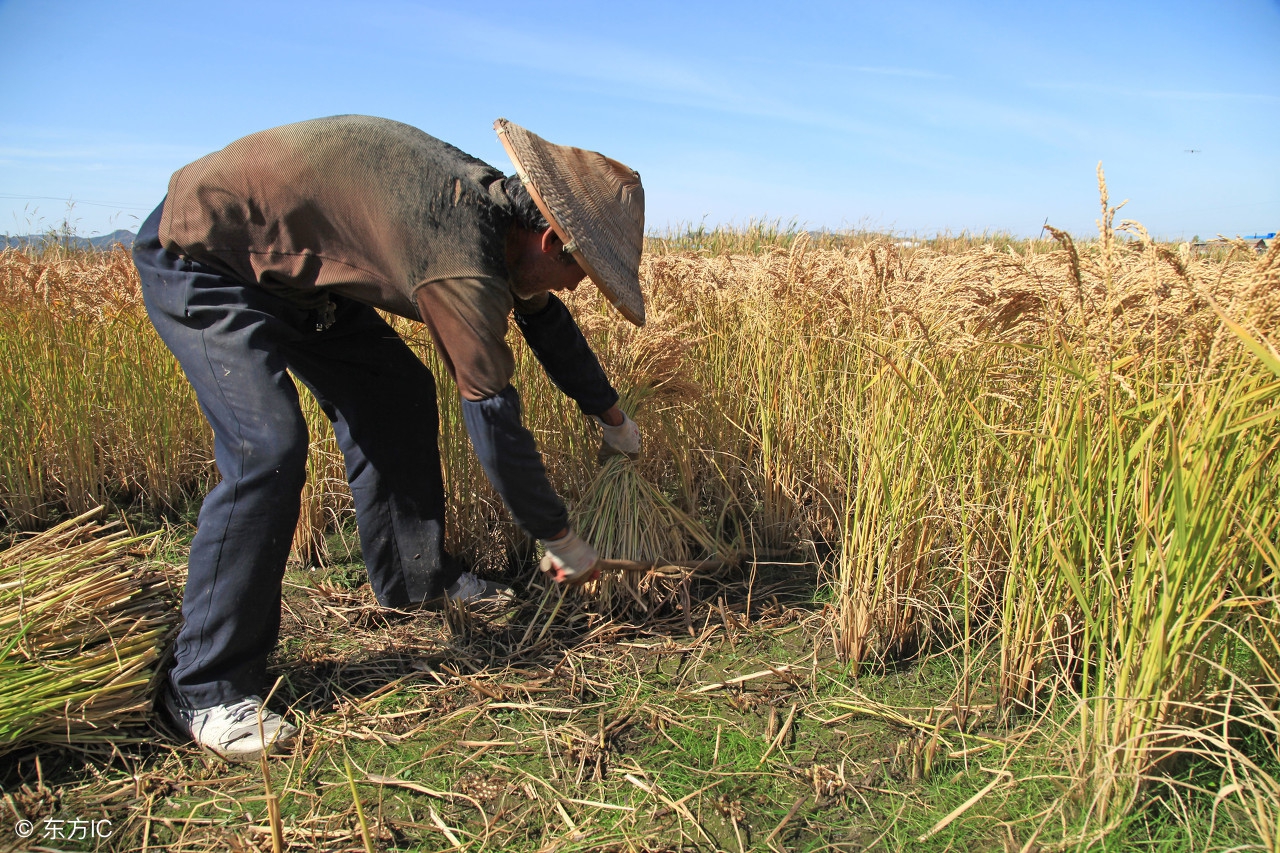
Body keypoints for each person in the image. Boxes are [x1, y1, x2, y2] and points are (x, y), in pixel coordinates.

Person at [131, 115, 647, 760]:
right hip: (209, 256)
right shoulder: (461, 257)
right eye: (582, 273)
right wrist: (558, 537)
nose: (578, 287)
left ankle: (414, 579)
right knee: (265, 448)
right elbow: (492, 413)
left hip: (302, 276)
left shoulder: (498, 218)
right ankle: (206, 687)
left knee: (396, 394)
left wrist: (610, 415)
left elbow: (549, 324)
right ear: (550, 239)